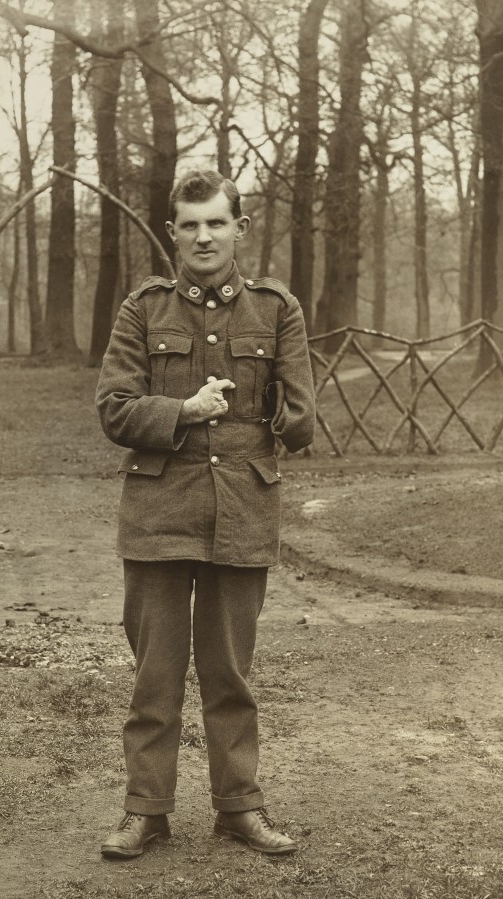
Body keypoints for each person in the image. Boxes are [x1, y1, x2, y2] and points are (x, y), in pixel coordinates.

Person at [95, 169, 315, 859]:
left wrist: (285, 407)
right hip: (158, 514)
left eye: (216, 222)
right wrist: (185, 411)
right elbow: (114, 408)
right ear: (172, 233)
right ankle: (145, 811)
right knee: (153, 676)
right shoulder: (143, 309)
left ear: (239, 230)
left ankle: (239, 807)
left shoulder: (277, 310)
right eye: (189, 224)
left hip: (243, 513)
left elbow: (303, 421)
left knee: (231, 675)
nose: (203, 236)